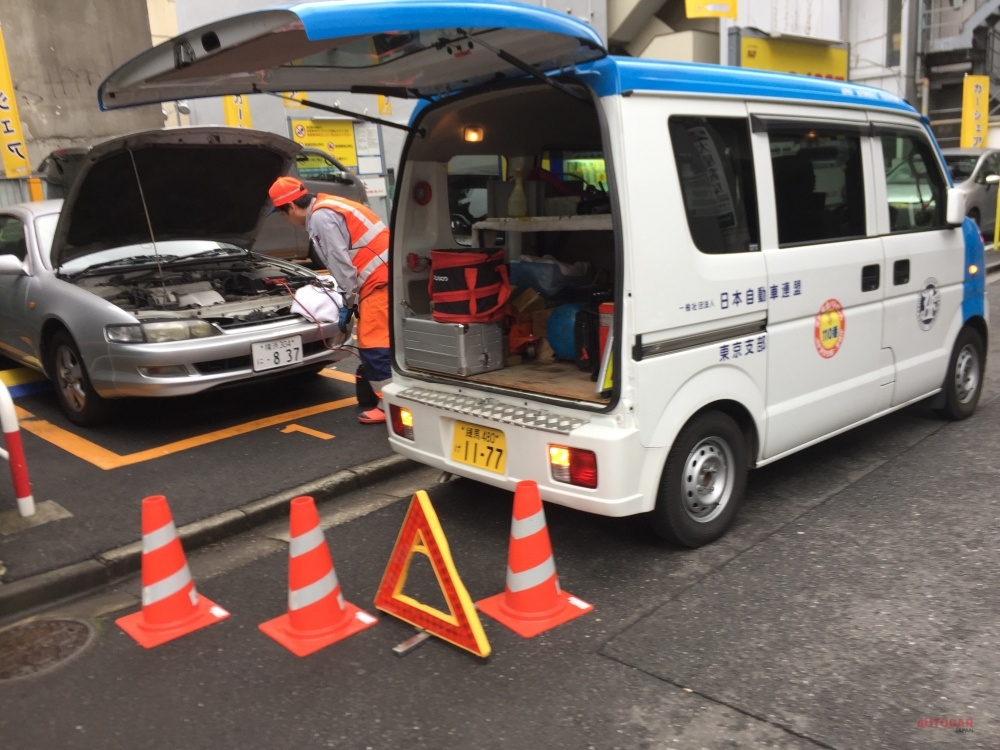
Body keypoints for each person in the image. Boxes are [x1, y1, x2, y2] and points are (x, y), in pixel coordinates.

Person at [269, 176, 390, 424]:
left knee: (373, 343)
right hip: (387, 275)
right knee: (389, 341)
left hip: (378, 281)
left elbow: (340, 264)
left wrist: (348, 303)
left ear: (291, 207)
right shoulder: (329, 205)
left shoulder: (322, 217)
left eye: (283, 214)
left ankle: (388, 404)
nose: (287, 220)